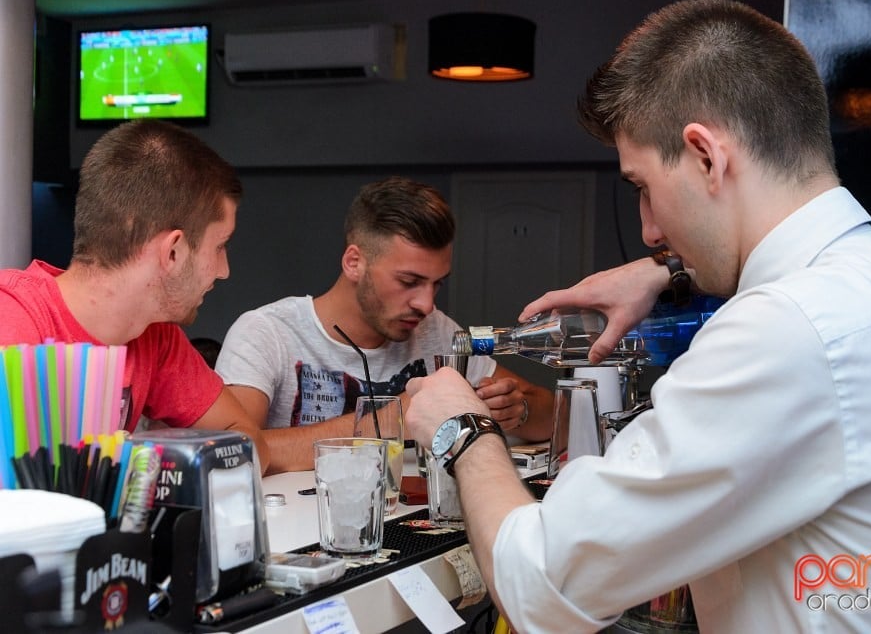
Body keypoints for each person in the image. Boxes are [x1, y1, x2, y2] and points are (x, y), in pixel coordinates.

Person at [402, 0, 871, 632]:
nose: (646, 230)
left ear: (705, 155)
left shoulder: (782, 332)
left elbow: (541, 584)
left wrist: (463, 431)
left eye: (641, 185)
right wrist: (671, 273)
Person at [216, 176, 553, 473]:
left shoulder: (437, 331)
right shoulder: (267, 333)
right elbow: (230, 452)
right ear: (354, 263)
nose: (426, 304)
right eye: (409, 281)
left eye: (437, 284)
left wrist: (519, 411)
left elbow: (559, 421)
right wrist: (391, 419)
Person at [0, 119, 270, 472]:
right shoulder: (14, 322)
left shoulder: (154, 335)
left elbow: (249, 441)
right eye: (219, 247)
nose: (224, 270)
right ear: (172, 252)